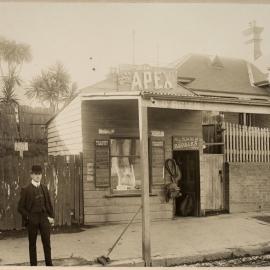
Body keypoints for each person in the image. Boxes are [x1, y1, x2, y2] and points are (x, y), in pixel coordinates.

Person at [18, 165, 54, 266]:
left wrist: (51, 217)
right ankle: (33, 266)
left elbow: (49, 204)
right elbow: (20, 207)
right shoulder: (26, 189)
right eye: (36, 174)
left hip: (44, 219)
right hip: (32, 220)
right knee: (32, 245)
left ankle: (49, 265)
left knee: (47, 243)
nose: (38, 176)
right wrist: (29, 217)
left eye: (40, 174)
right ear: (31, 175)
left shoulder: (44, 188)